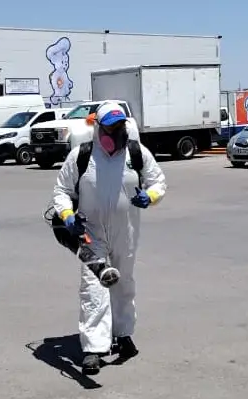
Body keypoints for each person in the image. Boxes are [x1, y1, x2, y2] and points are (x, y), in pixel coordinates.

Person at [50, 101, 167, 375]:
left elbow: (159, 181)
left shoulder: (136, 153)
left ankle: (123, 334)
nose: (116, 132)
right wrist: (67, 214)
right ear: (99, 128)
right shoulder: (82, 156)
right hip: (90, 234)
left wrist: (149, 196)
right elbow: (61, 190)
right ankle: (93, 348)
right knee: (94, 287)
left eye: (120, 126)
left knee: (123, 282)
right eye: (111, 127)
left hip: (125, 232)